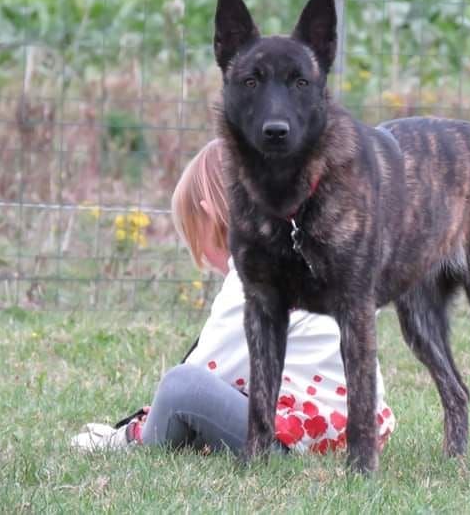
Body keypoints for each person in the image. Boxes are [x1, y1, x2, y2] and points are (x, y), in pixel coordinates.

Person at [71, 139, 395, 455]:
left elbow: (205, 374)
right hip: (354, 427)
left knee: (181, 385)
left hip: (294, 435)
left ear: (209, 213)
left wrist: (136, 425)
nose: (208, 263)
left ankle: (126, 443)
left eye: (197, 240)